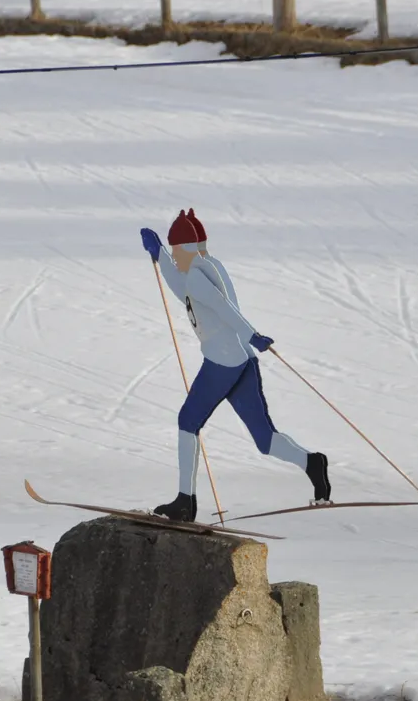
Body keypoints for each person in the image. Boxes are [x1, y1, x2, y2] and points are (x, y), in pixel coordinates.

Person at [140, 209, 330, 522]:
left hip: (223, 361)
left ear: (186, 249)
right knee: (265, 439)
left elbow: (223, 308)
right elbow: (179, 286)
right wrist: (157, 252)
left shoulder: (198, 277)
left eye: (175, 251)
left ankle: (185, 502)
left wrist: (252, 334)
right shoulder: (204, 267)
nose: (174, 258)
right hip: (242, 360)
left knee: (188, 420)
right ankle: (311, 463)